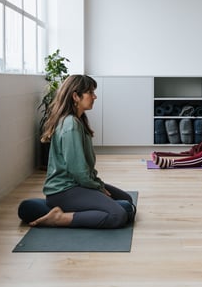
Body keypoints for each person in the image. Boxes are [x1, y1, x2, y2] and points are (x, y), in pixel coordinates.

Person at [28, 74, 135, 229]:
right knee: (118, 215)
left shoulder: (78, 120)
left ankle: (75, 210)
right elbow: (78, 170)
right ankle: (59, 217)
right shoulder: (70, 124)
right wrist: (98, 188)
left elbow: (84, 171)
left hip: (78, 185)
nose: (94, 96)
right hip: (64, 191)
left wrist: (98, 184)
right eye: (90, 92)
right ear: (75, 96)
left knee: (126, 201)